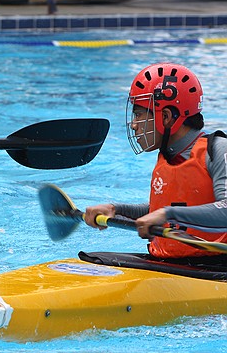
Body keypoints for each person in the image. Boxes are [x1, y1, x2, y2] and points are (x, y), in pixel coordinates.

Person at [83, 62, 227, 260]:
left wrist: (168, 214)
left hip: (215, 266)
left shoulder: (217, 149)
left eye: (139, 115)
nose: (133, 125)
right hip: (165, 262)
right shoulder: (168, 156)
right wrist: (116, 210)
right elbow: (159, 210)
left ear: (166, 117)